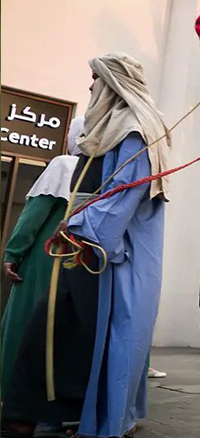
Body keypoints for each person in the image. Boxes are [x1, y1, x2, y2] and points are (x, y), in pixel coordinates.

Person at [4, 54, 171, 438]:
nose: (90, 86)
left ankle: (76, 414)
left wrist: (79, 225)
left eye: (95, 79)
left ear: (112, 82)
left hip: (108, 254)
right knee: (52, 327)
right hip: (83, 246)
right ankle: (34, 412)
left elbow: (125, 197)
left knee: (84, 332)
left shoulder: (135, 130)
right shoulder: (108, 130)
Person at [1, 118, 82, 395]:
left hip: (45, 259)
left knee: (24, 324)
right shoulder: (105, 171)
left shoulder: (63, 165)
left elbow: (33, 216)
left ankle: (12, 390)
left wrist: (13, 253)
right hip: (81, 263)